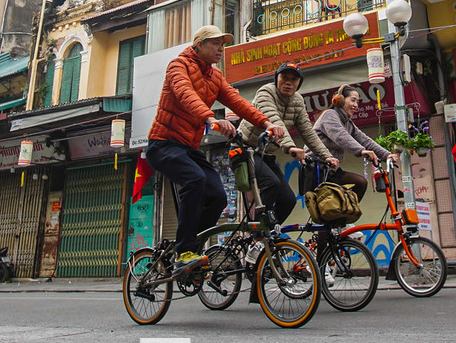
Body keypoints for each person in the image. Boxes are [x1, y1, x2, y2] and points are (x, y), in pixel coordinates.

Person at [145, 25, 273, 274]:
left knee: (217, 197)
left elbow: (237, 101)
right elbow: (185, 94)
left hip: (188, 148)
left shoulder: (215, 75)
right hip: (163, 144)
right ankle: (183, 251)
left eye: (223, 45)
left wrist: (266, 123)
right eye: (215, 43)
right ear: (199, 45)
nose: (220, 49)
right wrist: (210, 119)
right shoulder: (178, 66)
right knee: (195, 180)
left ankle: (192, 247)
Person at [237, 63, 340, 225]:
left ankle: (271, 233)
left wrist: (326, 156)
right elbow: (273, 120)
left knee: (288, 200)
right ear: (276, 78)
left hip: (265, 154)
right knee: (271, 183)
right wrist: (290, 147)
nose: (288, 83)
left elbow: (307, 131)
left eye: (293, 79)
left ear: (299, 83)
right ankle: (257, 232)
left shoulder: (298, 101)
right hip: (244, 149)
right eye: (284, 78)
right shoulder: (265, 92)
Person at [312, 84, 391, 200]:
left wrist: (387, 155)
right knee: (334, 203)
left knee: (360, 183)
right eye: (353, 100)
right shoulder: (329, 115)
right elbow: (341, 136)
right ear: (340, 100)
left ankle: (348, 211)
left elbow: (365, 140)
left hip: (332, 170)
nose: (356, 105)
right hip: (315, 169)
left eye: (358, 102)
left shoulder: (348, 123)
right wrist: (361, 151)